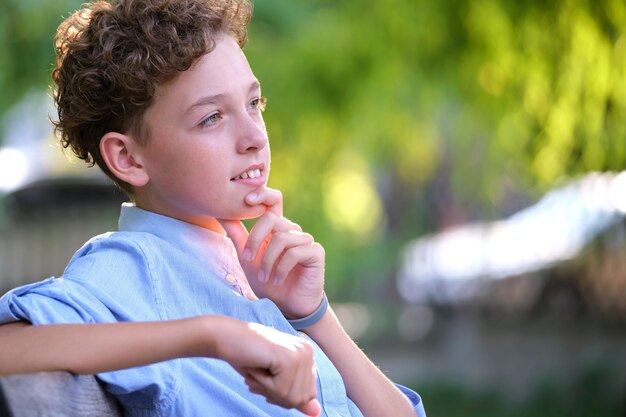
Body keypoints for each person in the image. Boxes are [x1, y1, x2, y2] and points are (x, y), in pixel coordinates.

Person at [0, 1, 426, 416]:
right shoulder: (134, 266)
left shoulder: (249, 273)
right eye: (212, 118)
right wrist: (214, 335)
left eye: (254, 103)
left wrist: (312, 315)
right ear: (128, 159)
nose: (254, 136)